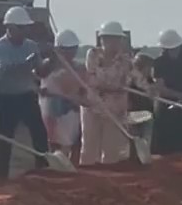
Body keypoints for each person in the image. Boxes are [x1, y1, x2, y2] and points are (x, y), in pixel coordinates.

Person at [0, 6, 54, 180]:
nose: (25, 31)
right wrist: (27, 62)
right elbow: (4, 68)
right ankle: (0, 176)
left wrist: (49, 62)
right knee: (4, 139)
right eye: (22, 28)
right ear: (10, 28)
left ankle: (43, 171)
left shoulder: (31, 46)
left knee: (39, 134)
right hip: (6, 98)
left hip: (26, 95)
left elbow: (40, 71)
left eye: (26, 28)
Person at [81, 21, 136, 166]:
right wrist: (113, 88)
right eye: (109, 39)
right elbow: (92, 79)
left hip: (115, 109)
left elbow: (134, 78)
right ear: (102, 39)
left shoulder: (125, 60)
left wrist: (150, 89)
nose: (114, 43)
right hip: (93, 107)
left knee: (111, 149)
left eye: (117, 39)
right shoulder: (92, 54)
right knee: (89, 147)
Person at [40, 29, 85, 166]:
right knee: (56, 143)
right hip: (53, 110)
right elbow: (38, 83)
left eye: (73, 49)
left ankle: (73, 168)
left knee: (75, 141)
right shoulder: (47, 66)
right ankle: (57, 167)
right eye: (67, 49)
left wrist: (80, 98)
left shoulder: (78, 67)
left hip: (73, 110)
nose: (71, 52)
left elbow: (84, 88)